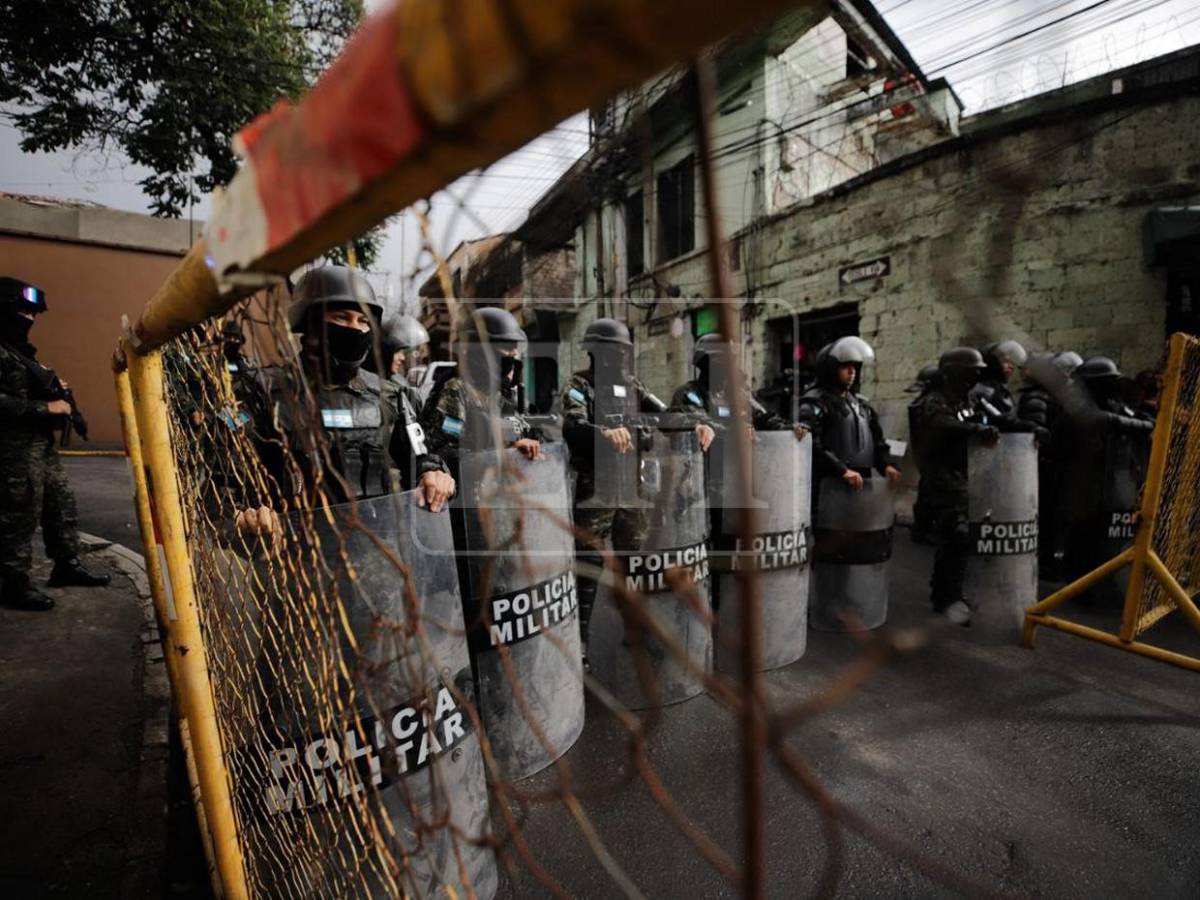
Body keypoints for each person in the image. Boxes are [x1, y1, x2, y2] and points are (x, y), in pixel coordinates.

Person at [238, 266, 454, 543]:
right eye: (341, 317)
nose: (354, 329)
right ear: (311, 322)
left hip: (373, 553)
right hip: (298, 558)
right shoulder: (265, 391)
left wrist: (434, 474)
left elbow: (421, 458)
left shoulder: (387, 395)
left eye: (363, 321)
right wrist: (247, 515)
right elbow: (228, 479)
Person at [561, 318, 715, 648]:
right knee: (588, 565)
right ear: (597, 353)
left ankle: (636, 631)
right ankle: (580, 644)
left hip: (633, 487)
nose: (620, 357)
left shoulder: (633, 386)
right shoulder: (579, 385)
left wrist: (697, 424)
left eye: (623, 351)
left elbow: (666, 414)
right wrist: (603, 434)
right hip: (596, 489)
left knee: (635, 560)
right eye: (613, 351)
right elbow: (572, 425)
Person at [0, 277, 110, 611]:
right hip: (13, 451)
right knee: (17, 516)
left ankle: (67, 565)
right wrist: (43, 407)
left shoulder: (20, 353)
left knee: (61, 505)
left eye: (33, 314)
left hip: (39, 446)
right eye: (22, 312)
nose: (29, 319)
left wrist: (51, 389)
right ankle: (13, 584)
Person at [920, 347, 1015, 625]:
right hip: (944, 477)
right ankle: (948, 599)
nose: (976, 376)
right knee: (956, 536)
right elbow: (940, 423)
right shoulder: (936, 400)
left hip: (966, 475)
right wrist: (974, 429)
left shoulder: (970, 399)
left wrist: (1027, 428)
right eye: (972, 371)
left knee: (957, 541)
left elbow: (999, 417)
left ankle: (946, 595)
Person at [1055, 355, 1154, 582]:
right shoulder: (1078, 406)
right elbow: (1103, 420)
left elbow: (1134, 420)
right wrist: (1141, 425)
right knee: (1081, 536)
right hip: (1080, 482)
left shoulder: (1112, 403)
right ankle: (1077, 582)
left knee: (1099, 537)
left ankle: (1095, 580)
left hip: (1106, 482)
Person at [420, 307, 543, 462]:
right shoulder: (458, 390)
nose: (513, 353)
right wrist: (504, 454)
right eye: (506, 347)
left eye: (515, 347)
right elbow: (444, 450)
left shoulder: (506, 395)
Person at [797, 336, 901, 495]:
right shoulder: (815, 402)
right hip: (830, 482)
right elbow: (811, 445)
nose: (852, 371)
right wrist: (842, 470)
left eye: (854, 366)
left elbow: (877, 441)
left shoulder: (862, 404)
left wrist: (886, 465)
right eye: (845, 366)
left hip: (862, 480)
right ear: (831, 369)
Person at [670, 332, 807, 438]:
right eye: (719, 361)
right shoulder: (689, 393)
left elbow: (761, 417)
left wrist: (786, 428)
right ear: (704, 363)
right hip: (702, 467)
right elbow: (701, 421)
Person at [906, 362, 940, 545]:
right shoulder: (924, 405)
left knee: (927, 490)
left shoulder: (921, 403)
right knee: (928, 492)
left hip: (927, 455)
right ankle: (922, 528)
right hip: (931, 454)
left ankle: (923, 527)